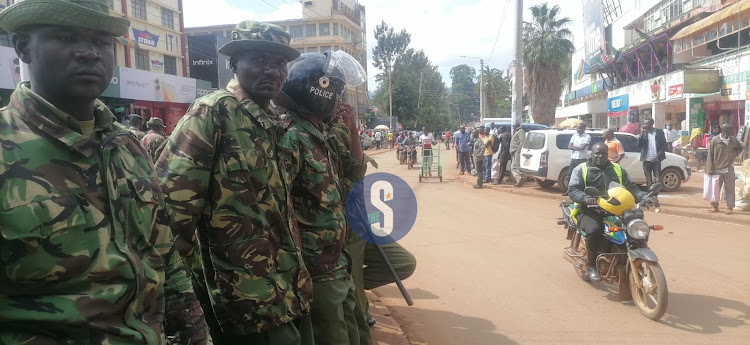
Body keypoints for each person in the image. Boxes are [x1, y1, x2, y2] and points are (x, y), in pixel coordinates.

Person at [0, 1, 209, 343]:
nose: (89, 53)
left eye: (101, 41)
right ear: (23, 47)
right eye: (66, 37)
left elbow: (167, 261)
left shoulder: (127, 147)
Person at [155, 21, 313, 344]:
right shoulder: (212, 114)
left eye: (280, 63)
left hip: (288, 289)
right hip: (243, 302)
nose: (272, 71)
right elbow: (169, 222)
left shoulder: (274, 124)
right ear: (233, 63)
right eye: (258, 60)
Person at [275, 50, 367, 345]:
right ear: (318, 90)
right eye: (336, 91)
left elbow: (354, 173)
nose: (340, 100)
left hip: (336, 262)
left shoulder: (320, 133)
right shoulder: (291, 137)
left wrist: (351, 128)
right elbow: (280, 210)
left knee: (354, 334)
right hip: (316, 269)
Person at [568, 143, 649, 281]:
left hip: (616, 209)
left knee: (635, 226)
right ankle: (591, 265)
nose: (600, 156)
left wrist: (645, 197)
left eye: (603, 154)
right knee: (593, 231)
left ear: (608, 154)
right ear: (591, 154)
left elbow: (632, 188)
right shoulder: (581, 169)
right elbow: (573, 190)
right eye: (597, 153)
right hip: (589, 210)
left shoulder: (618, 169)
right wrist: (586, 198)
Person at [705, 123, 744, 214]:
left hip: (729, 168)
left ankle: (730, 207)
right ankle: (715, 207)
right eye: (731, 130)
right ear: (725, 130)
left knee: (730, 188)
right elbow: (710, 156)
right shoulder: (715, 141)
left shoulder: (733, 140)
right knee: (715, 189)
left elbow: (740, 148)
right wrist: (709, 169)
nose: (733, 131)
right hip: (717, 169)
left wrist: (734, 155)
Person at [638, 118, 667, 207]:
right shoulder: (644, 133)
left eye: (646, 123)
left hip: (656, 160)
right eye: (644, 123)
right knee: (648, 180)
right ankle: (650, 198)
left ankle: (655, 197)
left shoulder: (659, 132)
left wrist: (657, 156)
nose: (644, 125)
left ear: (651, 124)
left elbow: (664, 146)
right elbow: (639, 145)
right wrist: (641, 134)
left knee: (657, 180)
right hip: (646, 159)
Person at [561, 123, 591, 196]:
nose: (578, 130)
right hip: (574, 158)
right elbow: (569, 146)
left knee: (582, 175)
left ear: (584, 129)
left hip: (582, 159)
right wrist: (577, 148)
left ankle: (582, 191)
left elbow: (582, 148)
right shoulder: (574, 136)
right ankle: (569, 191)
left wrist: (574, 147)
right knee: (569, 175)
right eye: (577, 128)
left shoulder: (587, 137)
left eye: (579, 128)